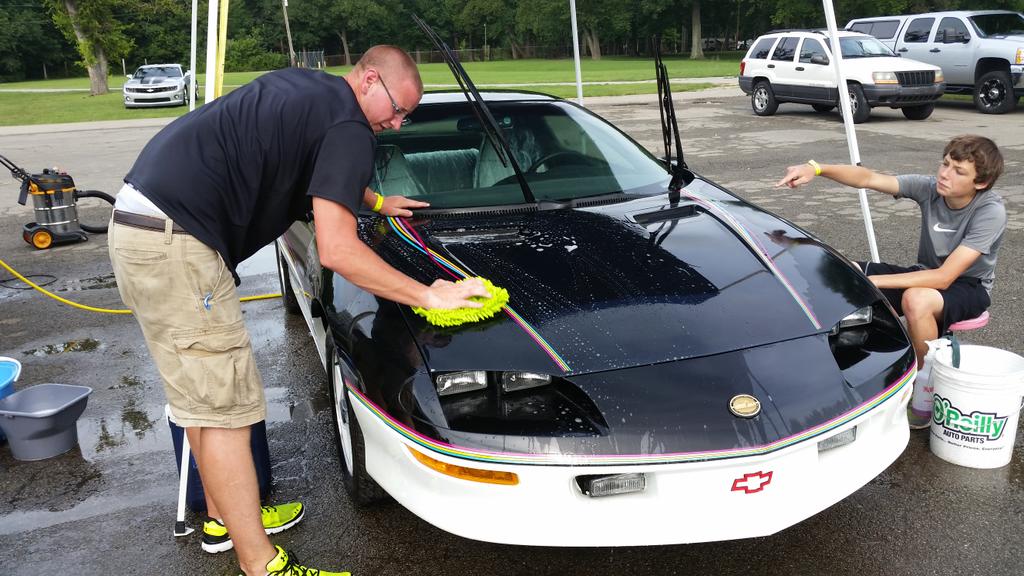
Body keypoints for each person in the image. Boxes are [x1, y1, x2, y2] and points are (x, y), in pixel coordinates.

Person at [108, 46, 489, 576]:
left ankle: (223, 518)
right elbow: (336, 250)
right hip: (177, 245)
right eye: (397, 110)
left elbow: (315, 167)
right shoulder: (351, 123)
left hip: (145, 225)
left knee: (202, 401)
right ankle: (262, 563)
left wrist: (377, 202)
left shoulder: (312, 90)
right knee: (225, 412)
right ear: (370, 78)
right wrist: (429, 294)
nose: (396, 124)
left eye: (405, 117)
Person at [777, 134, 1006, 429]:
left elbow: (944, 277)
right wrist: (816, 168)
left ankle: (924, 390)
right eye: (945, 163)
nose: (945, 174)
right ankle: (834, 378)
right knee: (841, 271)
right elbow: (868, 178)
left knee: (916, 298)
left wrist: (874, 279)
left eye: (958, 171)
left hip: (968, 286)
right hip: (923, 272)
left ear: (981, 183)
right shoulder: (930, 188)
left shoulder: (990, 210)